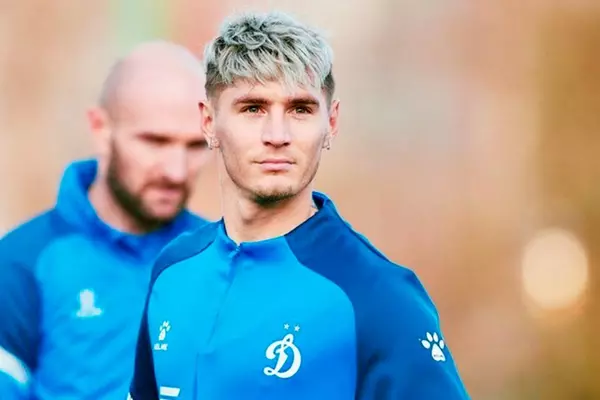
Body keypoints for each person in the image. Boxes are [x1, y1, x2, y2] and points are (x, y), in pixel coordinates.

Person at [129, 12, 470, 400]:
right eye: (253, 108)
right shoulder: (172, 271)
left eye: (300, 109)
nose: (277, 135)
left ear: (331, 122)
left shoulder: (378, 297)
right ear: (209, 122)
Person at [0, 41, 212, 399]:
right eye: (155, 141)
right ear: (100, 129)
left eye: (196, 146)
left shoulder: (222, 256)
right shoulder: (21, 264)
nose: (176, 171)